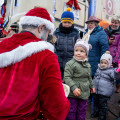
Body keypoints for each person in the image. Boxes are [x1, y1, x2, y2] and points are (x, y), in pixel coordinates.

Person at [0, 7, 70, 120]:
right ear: (41, 28)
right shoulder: (46, 56)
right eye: (47, 32)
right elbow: (57, 108)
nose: (47, 37)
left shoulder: (2, 45)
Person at [63, 40, 95, 120]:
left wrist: (92, 86)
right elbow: (67, 77)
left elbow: (89, 77)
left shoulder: (87, 65)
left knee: (82, 109)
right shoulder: (70, 64)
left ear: (86, 54)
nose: (78, 53)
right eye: (76, 50)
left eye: (82, 51)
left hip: (84, 92)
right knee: (72, 110)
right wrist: (74, 88)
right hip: (73, 93)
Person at [83, 16, 109, 104]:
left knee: (93, 81)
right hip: (86, 60)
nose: (89, 25)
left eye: (91, 23)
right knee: (87, 79)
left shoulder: (101, 33)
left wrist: (103, 61)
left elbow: (104, 48)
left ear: (95, 24)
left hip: (95, 61)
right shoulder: (87, 33)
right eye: (88, 23)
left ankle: (92, 99)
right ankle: (88, 97)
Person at [91, 51, 120, 120]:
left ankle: (102, 116)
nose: (103, 64)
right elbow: (95, 78)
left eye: (105, 63)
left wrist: (117, 71)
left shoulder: (111, 71)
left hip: (104, 92)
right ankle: (96, 112)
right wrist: (92, 86)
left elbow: (115, 77)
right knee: (96, 103)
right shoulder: (98, 69)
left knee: (103, 105)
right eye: (102, 62)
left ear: (109, 64)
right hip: (96, 91)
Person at [54, 8, 80, 78]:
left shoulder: (75, 33)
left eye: (69, 22)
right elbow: (53, 45)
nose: (67, 24)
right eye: (65, 22)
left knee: (68, 81)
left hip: (70, 63)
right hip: (58, 62)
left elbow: (78, 46)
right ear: (61, 22)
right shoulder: (56, 33)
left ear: (72, 23)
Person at [104, 17, 120, 93]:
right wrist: (108, 42)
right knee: (106, 74)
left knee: (117, 74)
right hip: (106, 56)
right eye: (113, 22)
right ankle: (107, 89)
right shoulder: (105, 31)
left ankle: (117, 86)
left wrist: (116, 59)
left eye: (116, 23)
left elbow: (119, 47)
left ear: (119, 24)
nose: (113, 24)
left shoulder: (119, 33)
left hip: (115, 56)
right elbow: (103, 43)